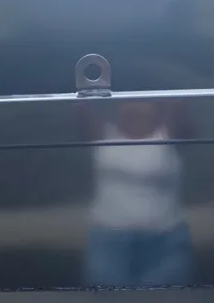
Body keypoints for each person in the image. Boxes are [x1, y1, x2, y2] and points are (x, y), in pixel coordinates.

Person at [84, 101, 193, 287]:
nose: (135, 108)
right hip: (109, 242)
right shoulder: (104, 134)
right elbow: (80, 103)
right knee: (106, 299)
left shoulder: (171, 134)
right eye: (128, 103)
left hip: (165, 241)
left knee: (167, 298)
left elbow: (182, 102)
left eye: (143, 103)